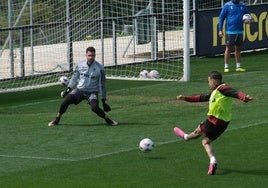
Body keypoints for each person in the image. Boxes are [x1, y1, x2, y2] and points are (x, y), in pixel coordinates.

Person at [173, 71, 253, 175]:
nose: (208, 84)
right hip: (223, 123)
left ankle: (188, 138)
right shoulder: (217, 91)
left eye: (209, 81)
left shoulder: (223, 89)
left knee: (200, 135)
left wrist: (243, 97)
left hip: (213, 121)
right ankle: (210, 159)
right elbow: (202, 98)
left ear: (213, 80)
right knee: (205, 141)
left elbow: (235, 92)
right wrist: (185, 98)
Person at [48, 46, 118, 126]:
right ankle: (57, 120)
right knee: (66, 101)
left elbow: (102, 84)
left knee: (95, 108)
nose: (91, 57)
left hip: (92, 92)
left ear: (95, 55)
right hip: (79, 90)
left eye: (92, 56)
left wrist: (104, 101)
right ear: (86, 55)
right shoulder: (80, 65)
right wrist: (68, 89)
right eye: (89, 55)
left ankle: (108, 120)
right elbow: (74, 78)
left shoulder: (100, 68)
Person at [218, 0, 253, 73]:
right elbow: (221, 18)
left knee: (238, 48)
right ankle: (226, 66)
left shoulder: (242, 5)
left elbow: (249, 16)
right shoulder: (227, 5)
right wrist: (220, 30)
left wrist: (249, 21)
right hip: (230, 30)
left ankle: (238, 66)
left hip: (240, 30)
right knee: (228, 48)